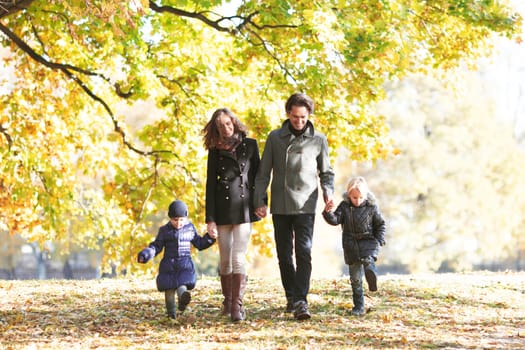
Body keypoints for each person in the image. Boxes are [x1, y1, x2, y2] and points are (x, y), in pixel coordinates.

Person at [253, 92, 335, 320]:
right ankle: (291, 296)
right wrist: (259, 201)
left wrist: (329, 193)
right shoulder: (275, 138)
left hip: (306, 204)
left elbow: (326, 172)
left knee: (304, 252)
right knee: (284, 254)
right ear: (288, 114)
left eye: (303, 117)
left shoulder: (318, 139)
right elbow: (263, 173)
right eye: (295, 117)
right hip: (280, 204)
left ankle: (301, 300)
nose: (299, 121)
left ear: (309, 115)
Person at [202, 108, 261, 322]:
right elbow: (210, 185)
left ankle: (237, 306)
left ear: (234, 122)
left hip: (244, 208)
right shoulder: (214, 151)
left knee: (238, 256)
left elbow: (258, 178)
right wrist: (210, 219)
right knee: (225, 258)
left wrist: (261, 203)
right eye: (221, 126)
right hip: (222, 210)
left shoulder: (251, 145)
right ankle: (227, 301)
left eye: (228, 124)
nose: (226, 129)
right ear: (216, 129)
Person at [137, 200, 217, 319]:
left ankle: (183, 301)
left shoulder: (190, 229)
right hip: (168, 265)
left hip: (184, 264)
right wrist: (146, 254)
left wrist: (210, 238)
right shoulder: (164, 231)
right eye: (175, 220)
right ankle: (171, 315)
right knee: (169, 291)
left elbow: (199, 243)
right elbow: (156, 246)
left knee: (182, 286)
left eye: (181, 220)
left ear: (186, 218)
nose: (178, 223)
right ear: (170, 218)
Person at [322, 176, 386, 316]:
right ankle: (359, 306)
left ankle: (371, 274)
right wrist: (328, 212)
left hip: (368, 240)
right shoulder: (344, 207)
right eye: (354, 197)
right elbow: (335, 220)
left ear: (366, 195)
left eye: (360, 197)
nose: (357, 201)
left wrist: (380, 238)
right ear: (349, 195)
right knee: (355, 279)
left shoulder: (372, 207)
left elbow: (380, 224)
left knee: (368, 260)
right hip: (351, 244)